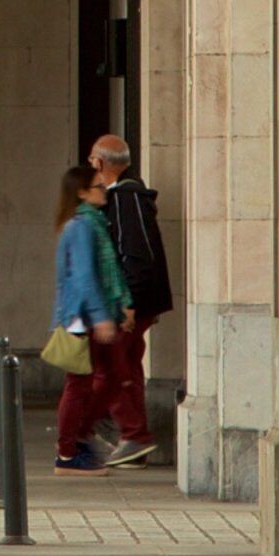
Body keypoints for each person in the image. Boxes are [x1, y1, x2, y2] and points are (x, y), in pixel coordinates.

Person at [51, 163, 147, 472]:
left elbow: (108, 272)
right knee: (80, 384)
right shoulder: (80, 226)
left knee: (112, 378)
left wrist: (122, 306)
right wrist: (101, 316)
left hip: (95, 314)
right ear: (81, 193)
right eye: (98, 187)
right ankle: (68, 451)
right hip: (82, 318)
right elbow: (84, 276)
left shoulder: (95, 224)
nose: (104, 191)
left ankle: (78, 438)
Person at [87, 133, 173, 466]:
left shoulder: (125, 199)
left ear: (100, 162)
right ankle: (130, 436)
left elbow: (134, 254)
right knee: (124, 364)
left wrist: (130, 304)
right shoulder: (125, 198)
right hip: (133, 301)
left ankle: (132, 434)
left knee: (112, 365)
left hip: (128, 303)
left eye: (92, 158)